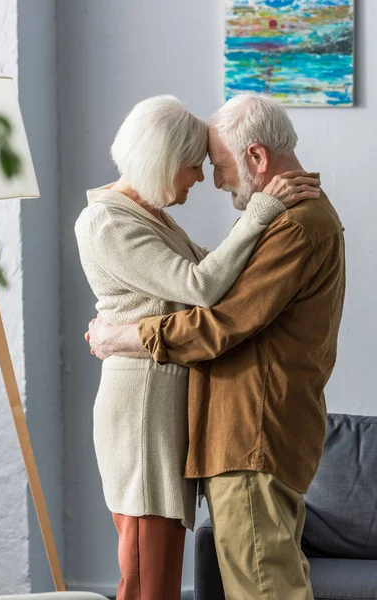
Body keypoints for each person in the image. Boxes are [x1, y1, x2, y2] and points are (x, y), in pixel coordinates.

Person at [86, 92, 345, 600]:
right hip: (237, 433)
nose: (213, 178)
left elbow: (218, 320)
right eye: (198, 166)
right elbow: (213, 288)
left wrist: (128, 336)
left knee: (265, 589)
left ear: (255, 157)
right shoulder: (286, 219)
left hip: (251, 434)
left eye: (219, 165)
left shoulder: (291, 224)